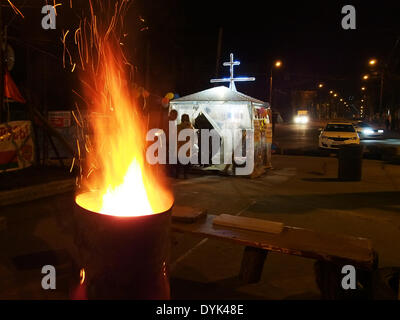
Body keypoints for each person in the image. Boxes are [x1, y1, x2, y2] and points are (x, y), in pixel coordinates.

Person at [176, 114, 194, 179]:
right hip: (186, 148)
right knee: (186, 163)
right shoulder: (190, 127)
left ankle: (178, 174)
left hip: (180, 147)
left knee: (179, 163)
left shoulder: (178, 127)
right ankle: (185, 175)